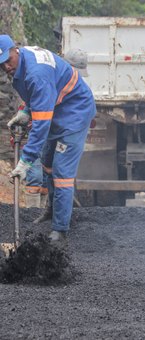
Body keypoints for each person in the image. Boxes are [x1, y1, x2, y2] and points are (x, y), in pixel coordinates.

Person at [0, 34, 96, 245]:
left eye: (8, 60)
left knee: (62, 173)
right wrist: (26, 110)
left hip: (74, 114)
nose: (6, 66)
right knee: (48, 164)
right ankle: (52, 211)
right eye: (2, 64)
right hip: (59, 110)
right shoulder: (24, 60)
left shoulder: (37, 73)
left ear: (15, 49)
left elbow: (41, 123)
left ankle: (60, 230)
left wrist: (25, 161)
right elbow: (38, 95)